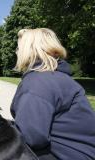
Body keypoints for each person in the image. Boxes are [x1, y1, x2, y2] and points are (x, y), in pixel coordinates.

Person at [10, 28, 95, 160]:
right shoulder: (59, 77)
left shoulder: (37, 82)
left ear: (30, 50)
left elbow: (31, 137)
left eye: (19, 48)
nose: (17, 51)